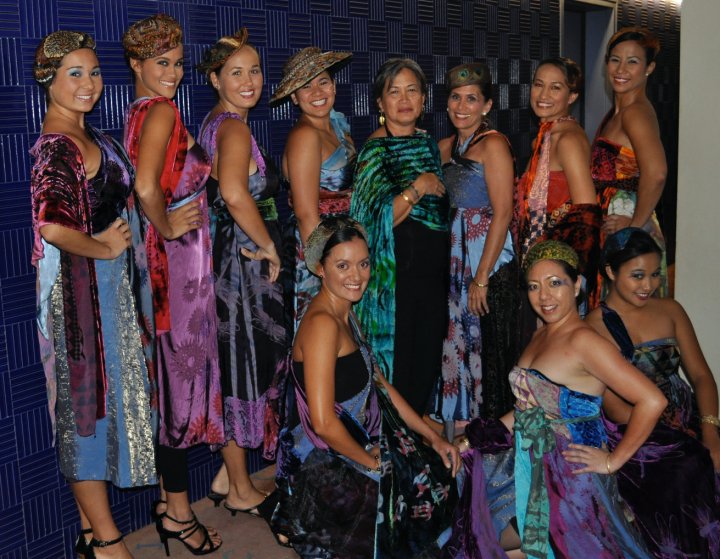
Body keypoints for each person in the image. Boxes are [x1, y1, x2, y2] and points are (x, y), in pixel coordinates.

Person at [444, 240, 666, 559]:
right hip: (532, 467)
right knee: (485, 538)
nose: (544, 296)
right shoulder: (541, 335)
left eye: (555, 283)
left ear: (576, 285)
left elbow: (652, 400)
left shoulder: (585, 341)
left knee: (489, 541)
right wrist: (469, 441)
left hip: (569, 479)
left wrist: (612, 461)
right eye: (534, 287)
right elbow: (527, 409)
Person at [30, 31, 156, 558]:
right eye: (74, 74)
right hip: (79, 300)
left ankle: (90, 536)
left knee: (103, 411)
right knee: (85, 413)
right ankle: (109, 543)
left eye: (95, 72)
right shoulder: (55, 146)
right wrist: (104, 248)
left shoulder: (89, 134)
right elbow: (51, 226)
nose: (89, 83)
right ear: (49, 81)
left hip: (108, 293)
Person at [272, 216, 461, 558]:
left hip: (360, 439)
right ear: (320, 269)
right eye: (343, 265)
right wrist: (373, 465)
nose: (356, 276)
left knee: (439, 476)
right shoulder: (322, 325)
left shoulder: (345, 312)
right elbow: (323, 424)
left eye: (363, 263)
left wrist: (432, 436)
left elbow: (381, 386)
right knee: (415, 506)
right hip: (326, 461)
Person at [122, 14, 223, 555]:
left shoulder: (141, 110)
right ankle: (180, 513)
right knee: (179, 391)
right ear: (136, 64)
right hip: (178, 266)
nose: (174, 73)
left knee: (168, 384)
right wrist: (166, 226)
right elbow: (145, 187)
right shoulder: (161, 110)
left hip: (169, 265)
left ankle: (168, 503)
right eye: (162, 62)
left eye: (179, 63)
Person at [196, 29, 288, 517]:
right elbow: (234, 193)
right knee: (241, 367)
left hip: (230, 258)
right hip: (241, 262)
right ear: (216, 79)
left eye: (254, 70)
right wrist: (269, 245)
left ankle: (226, 476)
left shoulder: (217, 121)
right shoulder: (232, 128)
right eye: (236, 72)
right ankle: (239, 488)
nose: (249, 80)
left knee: (237, 363)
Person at [586, 228, 720, 558]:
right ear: (610, 272)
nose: (649, 285)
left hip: (689, 418)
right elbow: (615, 408)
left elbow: (701, 376)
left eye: (655, 274)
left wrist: (710, 432)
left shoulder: (671, 310)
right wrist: (680, 440)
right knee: (686, 470)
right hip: (636, 430)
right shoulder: (593, 328)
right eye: (637, 275)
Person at [350, 58, 449, 415]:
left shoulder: (427, 145)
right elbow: (367, 221)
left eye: (412, 91)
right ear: (380, 102)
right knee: (399, 369)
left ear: (423, 99)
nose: (404, 99)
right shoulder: (374, 152)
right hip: (394, 283)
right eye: (394, 92)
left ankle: (417, 437)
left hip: (431, 279)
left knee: (426, 364)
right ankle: (394, 441)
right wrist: (417, 188)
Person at [432, 62, 519, 433]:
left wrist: (481, 278)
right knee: (458, 346)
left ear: (487, 105)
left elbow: (503, 212)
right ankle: (461, 430)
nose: (462, 106)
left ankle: (491, 437)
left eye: (472, 99)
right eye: (455, 97)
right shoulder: (442, 147)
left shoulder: (494, 144)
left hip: (488, 263)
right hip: (452, 262)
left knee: (490, 349)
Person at [270, 46, 355, 332]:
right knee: (322, 332)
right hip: (318, 248)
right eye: (306, 86)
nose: (317, 92)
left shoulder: (336, 126)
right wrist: (325, 268)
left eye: (323, 81)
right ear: (294, 97)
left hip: (343, 243)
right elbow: (306, 214)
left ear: (334, 85)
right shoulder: (305, 136)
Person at [514, 58, 601, 333]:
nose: (543, 95)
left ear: (572, 96)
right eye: (538, 85)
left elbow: (586, 215)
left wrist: (567, 279)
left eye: (555, 87)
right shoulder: (547, 136)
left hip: (558, 273)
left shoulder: (568, 140)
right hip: (540, 264)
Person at [591, 27, 668, 300]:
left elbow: (657, 173)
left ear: (649, 68)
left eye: (632, 61)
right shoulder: (619, 112)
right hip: (616, 221)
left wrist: (634, 226)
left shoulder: (634, 113)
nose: (621, 69)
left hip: (627, 223)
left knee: (627, 313)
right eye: (615, 59)